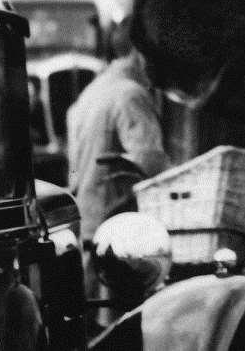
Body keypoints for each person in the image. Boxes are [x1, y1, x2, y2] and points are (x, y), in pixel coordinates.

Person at [67, 40, 169, 319]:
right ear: (140, 55)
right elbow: (152, 164)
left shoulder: (94, 91)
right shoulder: (130, 95)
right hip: (118, 233)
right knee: (119, 325)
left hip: (86, 223)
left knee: (89, 323)